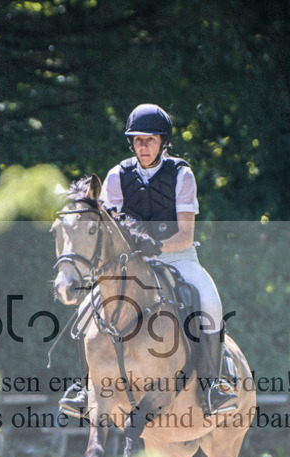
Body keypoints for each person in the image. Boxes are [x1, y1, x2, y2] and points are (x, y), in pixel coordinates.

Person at [59, 103, 238, 418]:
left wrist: (155, 247)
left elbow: (184, 234)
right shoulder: (117, 175)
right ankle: (84, 387)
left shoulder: (182, 174)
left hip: (178, 257)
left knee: (207, 302)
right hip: (130, 263)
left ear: (163, 142)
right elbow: (109, 229)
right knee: (88, 309)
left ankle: (213, 386)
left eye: (150, 139)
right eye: (137, 140)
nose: (143, 146)